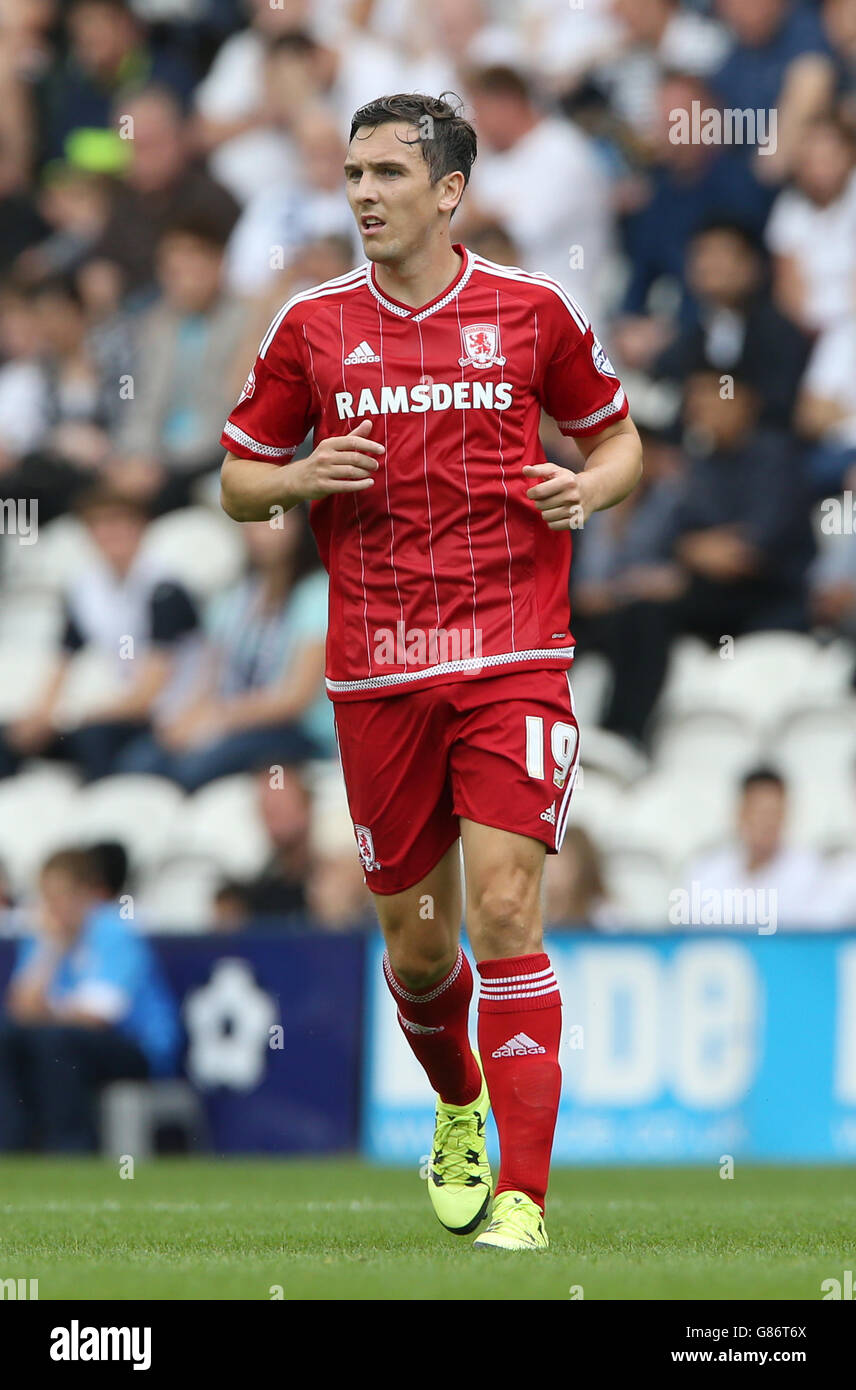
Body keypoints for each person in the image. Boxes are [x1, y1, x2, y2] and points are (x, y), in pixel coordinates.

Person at [219, 92, 643, 1252]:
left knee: (507, 904)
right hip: (377, 677)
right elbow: (238, 479)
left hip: (513, 653)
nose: (362, 192)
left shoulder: (531, 312)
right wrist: (305, 479)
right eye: (353, 172)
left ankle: (525, 1196)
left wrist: (586, 490)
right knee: (416, 945)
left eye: (387, 174)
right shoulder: (308, 327)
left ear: (447, 192)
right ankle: (456, 1099)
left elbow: (617, 437)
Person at [0, 846, 180, 1152]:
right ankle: (11, 1148)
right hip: (67, 1041)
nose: (54, 908)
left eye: (63, 896)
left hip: (137, 1048)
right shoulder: (44, 936)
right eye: (48, 897)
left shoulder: (115, 932)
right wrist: (51, 949)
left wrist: (45, 1012)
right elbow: (19, 1010)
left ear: (88, 895)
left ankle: (70, 1149)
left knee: (55, 1042)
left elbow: (98, 1017)